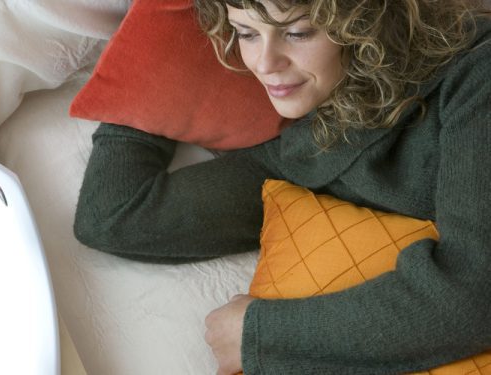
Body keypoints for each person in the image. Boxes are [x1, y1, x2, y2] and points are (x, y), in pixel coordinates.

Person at [73, 0, 491, 373]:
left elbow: (476, 293)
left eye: (297, 32)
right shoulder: (302, 147)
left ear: (366, 19)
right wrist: (147, 87)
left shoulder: (477, 75)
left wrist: (260, 334)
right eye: (246, 33)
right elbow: (115, 216)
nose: (265, 63)